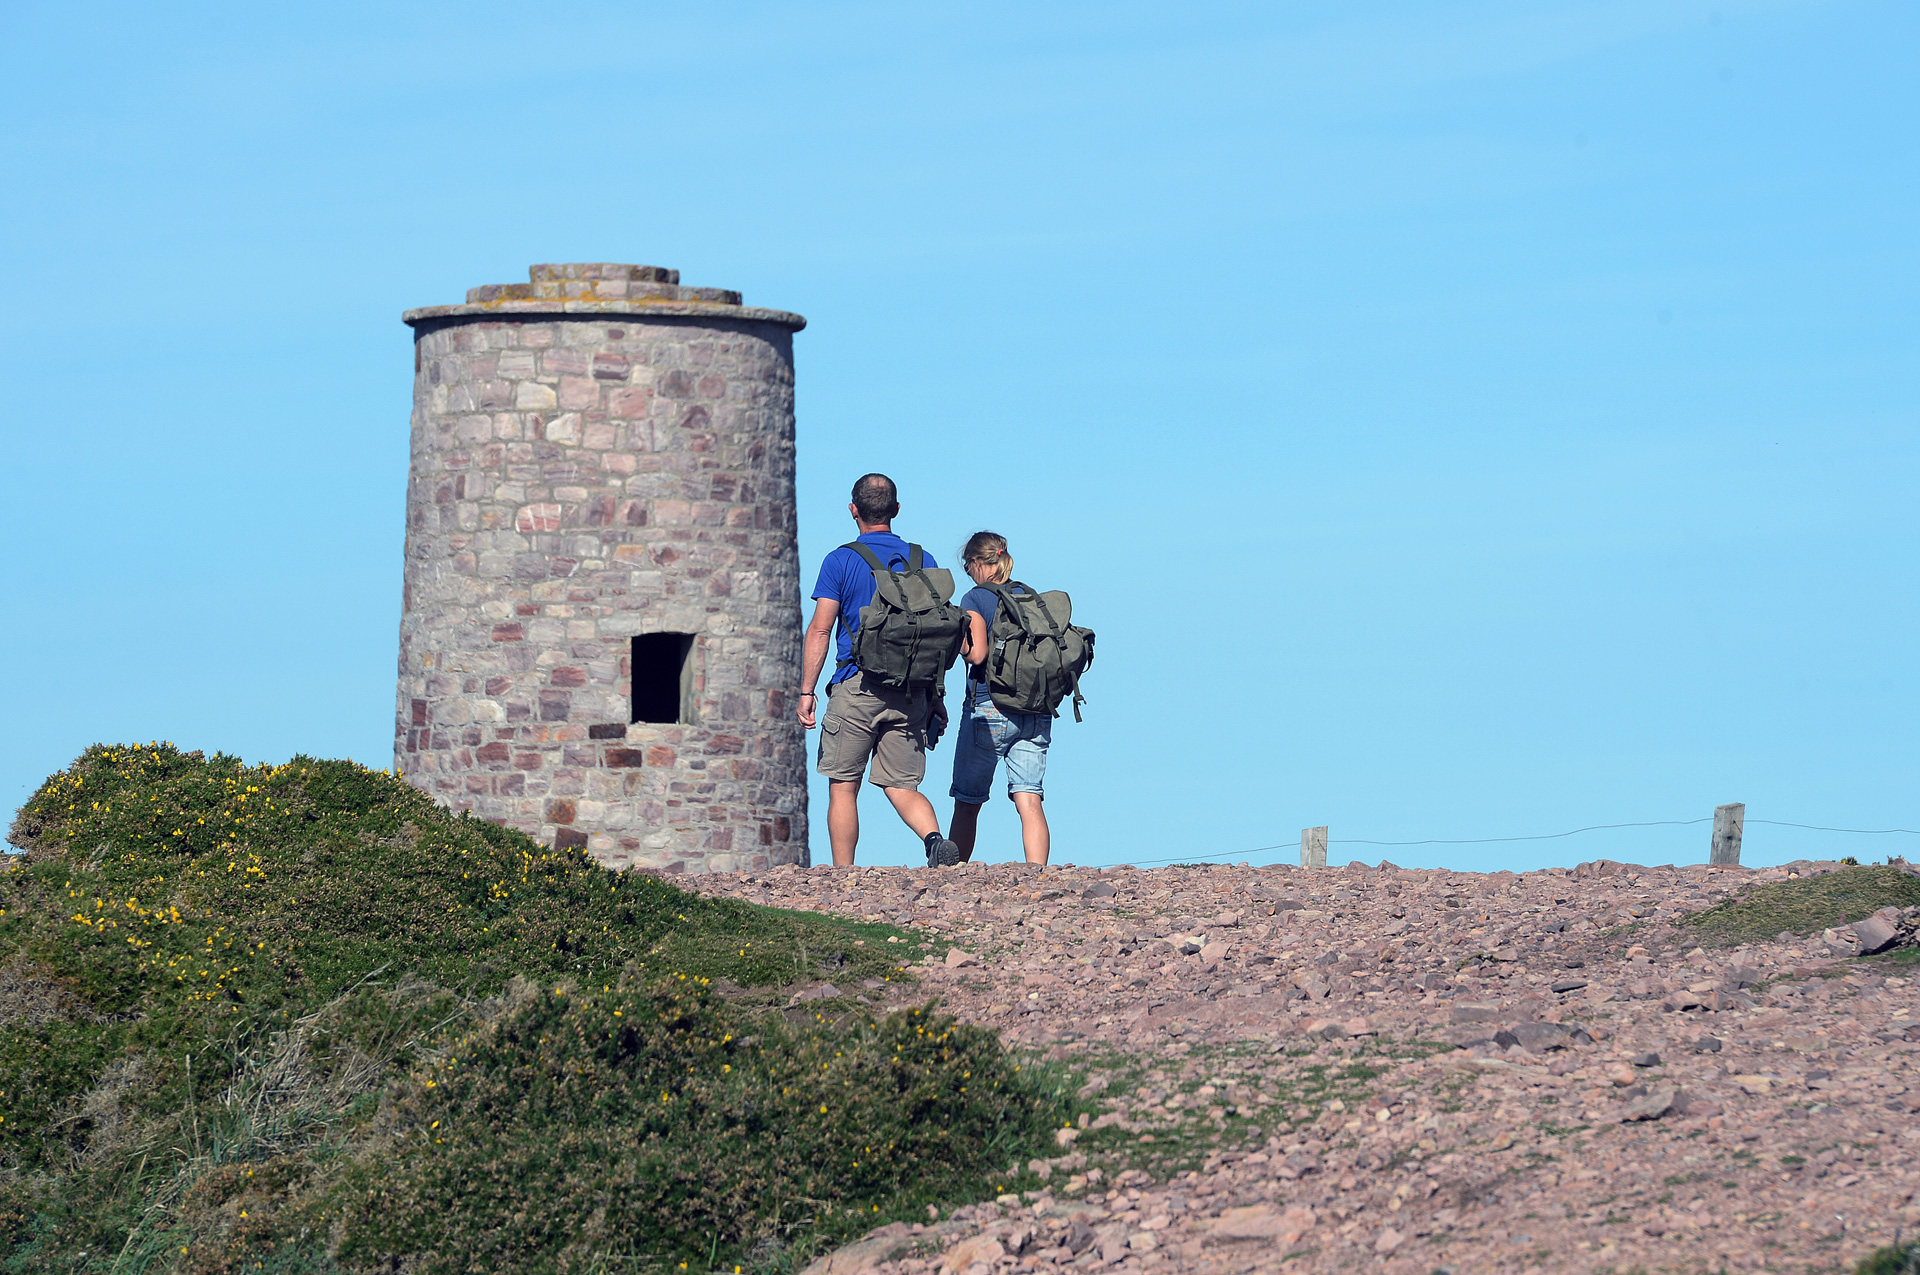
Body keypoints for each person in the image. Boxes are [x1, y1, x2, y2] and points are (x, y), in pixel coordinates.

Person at [798, 473, 964, 868]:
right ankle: (935, 840)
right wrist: (935, 696)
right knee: (901, 784)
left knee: (843, 785)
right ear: (896, 510)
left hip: (857, 686)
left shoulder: (841, 560)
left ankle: (844, 874)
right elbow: (934, 633)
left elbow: (821, 629)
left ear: (853, 510)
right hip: (912, 690)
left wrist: (807, 690)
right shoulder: (925, 562)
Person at [947, 531, 1052, 865]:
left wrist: (958, 638)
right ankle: (1038, 873)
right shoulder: (1029, 596)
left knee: (968, 801)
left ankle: (953, 876)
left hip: (988, 705)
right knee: (1030, 798)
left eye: (968, 567)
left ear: (979, 563)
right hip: (1034, 708)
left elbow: (977, 655)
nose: (969, 574)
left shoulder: (975, 599)